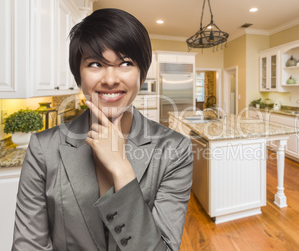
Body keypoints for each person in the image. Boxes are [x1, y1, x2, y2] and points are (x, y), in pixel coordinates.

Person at [12, 8, 193, 251]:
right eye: (95, 63)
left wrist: (121, 168)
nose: (110, 79)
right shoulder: (43, 149)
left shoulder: (175, 149)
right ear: (79, 74)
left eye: (125, 63)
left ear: (141, 73)